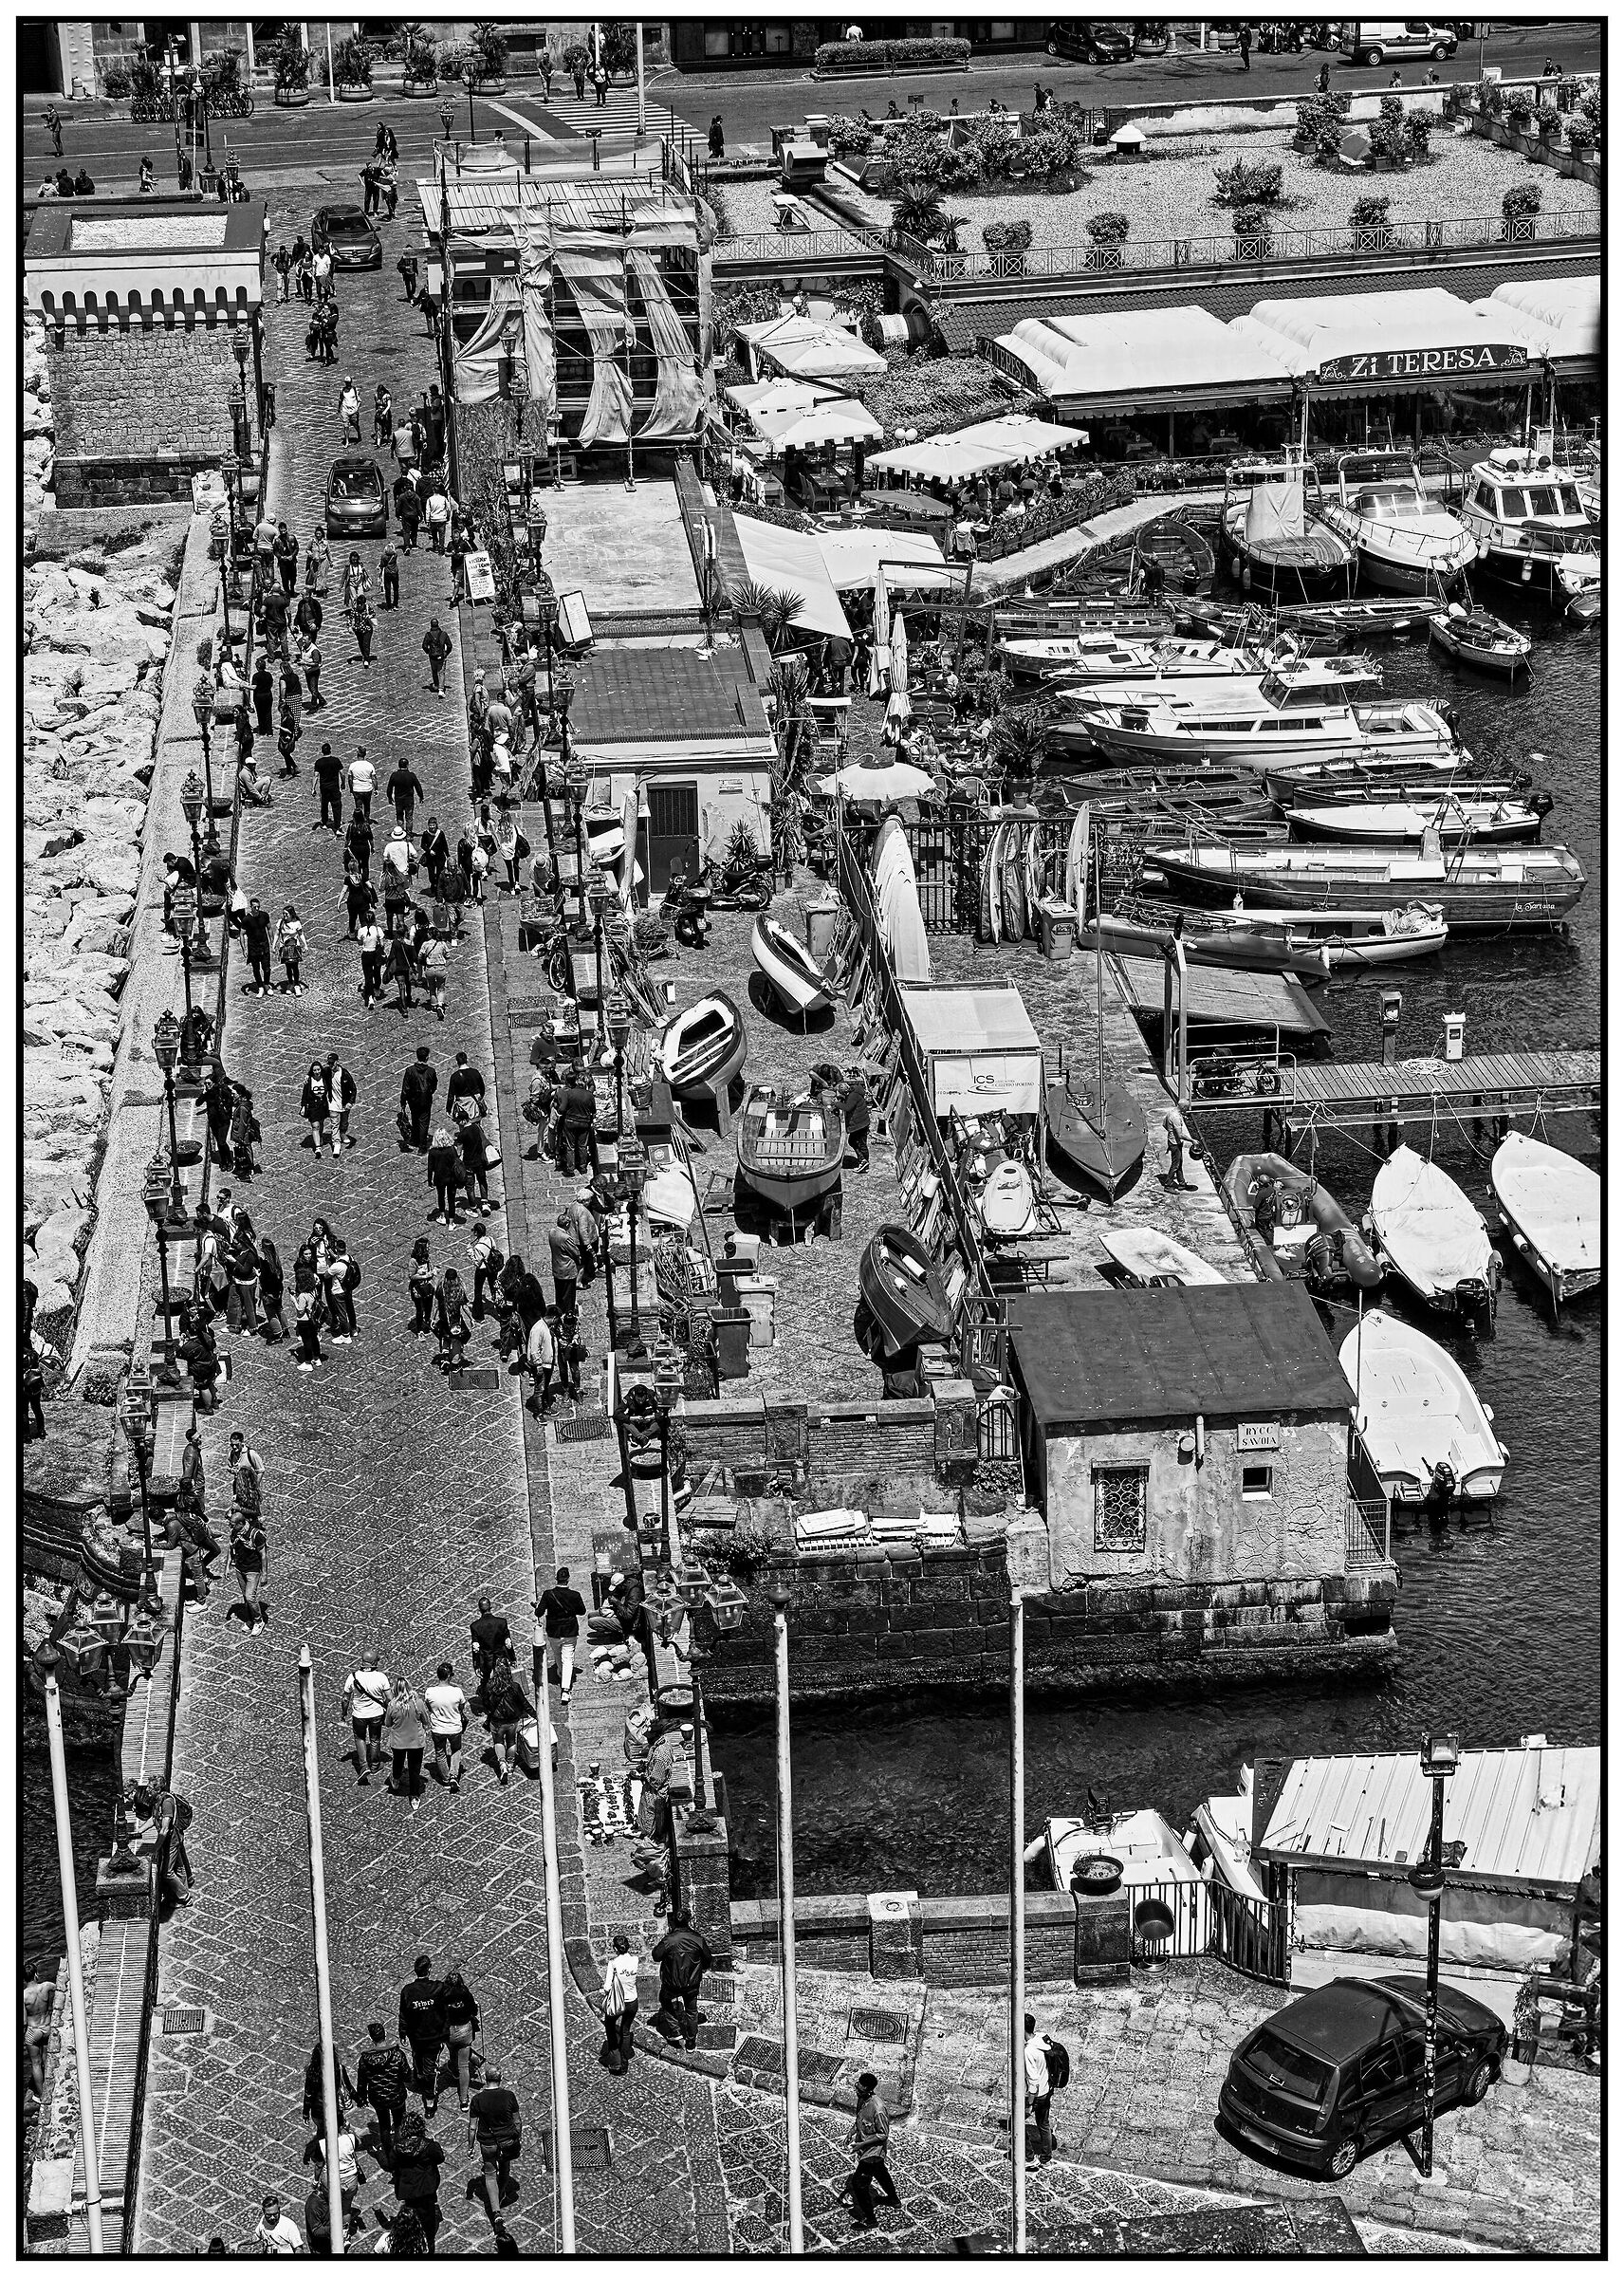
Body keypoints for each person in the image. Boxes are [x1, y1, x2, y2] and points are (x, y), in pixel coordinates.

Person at [841, 2072, 902, 2228]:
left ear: (869, 2090)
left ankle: (870, 2219)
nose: (857, 2092)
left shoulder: (878, 2108)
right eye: (857, 2088)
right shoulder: (862, 2100)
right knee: (880, 2173)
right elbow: (860, 2120)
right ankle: (893, 2200)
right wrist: (851, 2133)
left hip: (873, 2152)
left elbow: (883, 2134)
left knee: (859, 2184)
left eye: (860, 2091)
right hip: (866, 2149)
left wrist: (861, 2145)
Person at [651, 1907, 713, 2050]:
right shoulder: (697, 1939)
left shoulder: (669, 1940)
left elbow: (656, 1956)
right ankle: (691, 2042)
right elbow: (708, 1958)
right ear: (689, 1920)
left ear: (674, 1922)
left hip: (671, 1983)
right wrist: (700, 1968)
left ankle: (675, 2030)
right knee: (691, 2011)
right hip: (691, 1983)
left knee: (665, 2000)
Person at [469, 2065, 523, 2222]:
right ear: (501, 2077)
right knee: (505, 2167)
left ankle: (496, 2213)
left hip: (488, 2143)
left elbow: (473, 2126)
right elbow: (517, 2121)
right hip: (506, 2141)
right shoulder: (509, 2096)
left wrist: (470, 2147)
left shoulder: (477, 2099)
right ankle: (501, 2194)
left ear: (485, 2078)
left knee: (490, 2175)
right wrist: (517, 2138)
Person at [387, 2110, 446, 2250]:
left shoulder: (397, 2148)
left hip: (408, 2190)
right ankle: (429, 2246)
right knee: (428, 2221)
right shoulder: (428, 2145)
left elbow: (391, 2165)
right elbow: (440, 2158)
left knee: (411, 2219)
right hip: (426, 2189)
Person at [397, 1955, 445, 2110]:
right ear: (429, 1969)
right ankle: (430, 2098)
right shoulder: (438, 1987)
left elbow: (403, 2014)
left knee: (418, 2056)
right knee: (429, 2068)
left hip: (416, 2036)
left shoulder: (408, 1991)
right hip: (433, 2037)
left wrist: (403, 2032)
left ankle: (419, 2076)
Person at [537, 1565, 586, 1706]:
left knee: (558, 1654)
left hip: (554, 1632)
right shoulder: (575, 1595)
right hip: (570, 1631)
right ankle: (565, 1690)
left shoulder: (548, 1594)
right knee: (568, 1659)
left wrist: (538, 1606)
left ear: (556, 1579)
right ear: (568, 1579)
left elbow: (538, 1613)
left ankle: (560, 1672)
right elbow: (582, 1611)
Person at [343, 1652, 392, 1785]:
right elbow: (389, 1698)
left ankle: (364, 1765)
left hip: (359, 1715)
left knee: (360, 1738)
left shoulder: (352, 1677)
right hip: (376, 1714)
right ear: (374, 1663)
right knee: (375, 1739)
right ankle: (375, 1765)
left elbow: (345, 1698)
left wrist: (344, 1712)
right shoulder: (381, 1677)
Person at [424, 1660, 470, 1792]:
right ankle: (454, 1776)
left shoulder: (430, 1692)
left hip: (438, 1728)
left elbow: (429, 1708)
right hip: (454, 1728)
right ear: (449, 1676)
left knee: (440, 1752)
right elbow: (461, 1707)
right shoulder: (457, 1692)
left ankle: (445, 1779)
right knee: (456, 1750)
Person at [438, 1968, 480, 2108]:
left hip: (449, 2032)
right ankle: (463, 2099)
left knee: (452, 2050)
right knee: (464, 2066)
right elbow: (473, 2011)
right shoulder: (465, 1993)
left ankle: (453, 2068)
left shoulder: (443, 1995)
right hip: (464, 2031)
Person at [600, 1933, 640, 2075]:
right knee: (625, 2030)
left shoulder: (613, 1964)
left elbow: (607, 1987)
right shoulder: (635, 1960)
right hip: (632, 2002)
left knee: (610, 2026)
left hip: (618, 2003)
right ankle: (625, 2060)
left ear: (616, 1949)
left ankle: (615, 2059)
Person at [385, 1679, 428, 1809]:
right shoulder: (418, 1703)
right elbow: (425, 1720)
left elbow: (387, 1723)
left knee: (398, 1761)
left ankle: (396, 1779)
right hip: (416, 1741)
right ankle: (414, 1796)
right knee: (415, 1769)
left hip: (398, 1742)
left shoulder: (392, 1705)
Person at [1023, 2011, 1056, 2166]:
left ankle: (1029, 2158)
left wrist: (1029, 2104)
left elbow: (1033, 2082)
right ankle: (1046, 2159)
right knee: (1043, 2124)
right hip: (1047, 2089)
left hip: (1036, 2094)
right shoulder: (1042, 2038)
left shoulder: (1029, 2051)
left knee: (1016, 2123)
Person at [428, 1129, 463, 1228]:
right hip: (451, 1178)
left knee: (441, 1197)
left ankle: (442, 1216)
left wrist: (429, 1180)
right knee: (451, 1199)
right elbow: (456, 1162)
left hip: (439, 1178)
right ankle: (451, 1223)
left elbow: (430, 1168)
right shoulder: (452, 1149)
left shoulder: (433, 1151)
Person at [273, 904, 307, 994]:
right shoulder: (281, 922)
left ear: (291, 914)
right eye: (283, 914)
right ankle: (290, 983)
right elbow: (277, 934)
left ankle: (296, 985)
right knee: (288, 966)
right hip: (284, 948)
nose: (284, 916)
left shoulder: (296, 923)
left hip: (295, 947)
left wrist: (305, 944)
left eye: (286, 914)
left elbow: (300, 934)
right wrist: (273, 945)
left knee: (295, 967)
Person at [1164, 1103, 1193, 1191]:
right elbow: (1180, 1135)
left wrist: (1171, 1133)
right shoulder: (1176, 1117)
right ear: (1183, 1107)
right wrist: (1192, 1140)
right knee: (1175, 1165)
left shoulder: (1170, 1112)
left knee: (1179, 1163)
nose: (1187, 1110)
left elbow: (1164, 1124)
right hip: (1175, 1144)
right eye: (1187, 1108)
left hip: (1172, 1141)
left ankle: (1182, 1183)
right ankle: (1168, 1185)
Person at [423, 615, 452, 695]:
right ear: (438, 624)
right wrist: (446, 653)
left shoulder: (428, 635)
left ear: (431, 625)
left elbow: (424, 646)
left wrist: (429, 652)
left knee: (434, 671)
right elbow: (449, 645)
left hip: (432, 657)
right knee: (441, 672)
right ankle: (441, 689)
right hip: (441, 656)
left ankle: (436, 685)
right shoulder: (443, 634)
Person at [339, 374, 361, 443]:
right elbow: (340, 400)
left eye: (348, 383)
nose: (347, 384)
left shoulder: (355, 390)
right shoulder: (342, 390)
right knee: (346, 426)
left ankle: (359, 434)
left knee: (355, 424)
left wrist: (357, 408)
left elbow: (359, 401)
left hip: (354, 410)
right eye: (346, 383)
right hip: (345, 410)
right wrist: (339, 408)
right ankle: (347, 441)